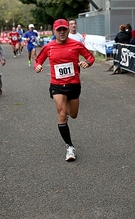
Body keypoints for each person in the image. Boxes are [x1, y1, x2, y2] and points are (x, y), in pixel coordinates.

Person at [34, 19, 95, 162]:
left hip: (73, 84)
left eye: (64, 29)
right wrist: (37, 66)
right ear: (54, 31)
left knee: (73, 114)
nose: (62, 32)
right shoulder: (48, 47)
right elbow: (38, 60)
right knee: (62, 114)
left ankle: (66, 109)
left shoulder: (76, 45)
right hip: (57, 85)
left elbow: (90, 57)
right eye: (59, 30)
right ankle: (69, 146)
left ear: (68, 30)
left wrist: (87, 63)